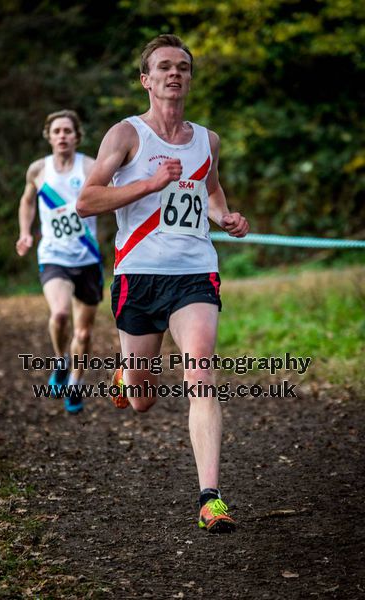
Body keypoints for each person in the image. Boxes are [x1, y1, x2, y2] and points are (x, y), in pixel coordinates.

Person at [77, 35, 249, 532]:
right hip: (138, 276)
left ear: (189, 79)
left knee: (201, 371)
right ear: (146, 79)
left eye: (183, 68)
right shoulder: (126, 135)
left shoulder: (207, 140)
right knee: (141, 398)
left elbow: (210, 190)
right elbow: (87, 201)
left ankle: (210, 498)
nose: (175, 74)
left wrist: (226, 218)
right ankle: (128, 378)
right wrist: (148, 185)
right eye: (165, 67)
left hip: (193, 272)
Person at [16, 110, 103, 414]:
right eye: (57, 131)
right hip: (53, 256)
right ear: (49, 136)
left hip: (88, 257)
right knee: (60, 315)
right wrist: (25, 233)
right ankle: (60, 360)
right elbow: (27, 201)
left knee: (83, 333)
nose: (63, 136)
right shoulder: (38, 170)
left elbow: (109, 196)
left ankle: (76, 385)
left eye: (68, 131)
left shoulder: (91, 166)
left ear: (77, 136)